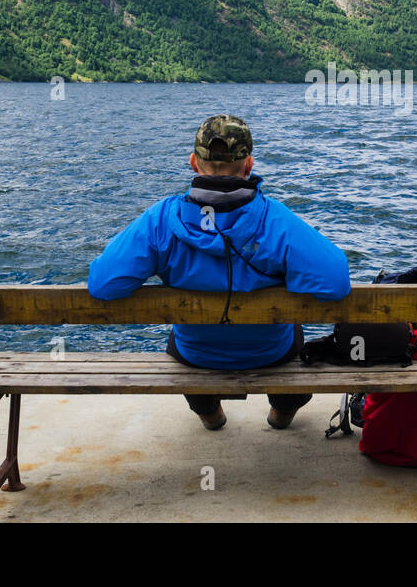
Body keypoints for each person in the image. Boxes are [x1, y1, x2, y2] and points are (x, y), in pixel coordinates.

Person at [87, 114, 351, 430]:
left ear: (193, 163)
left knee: (181, 338)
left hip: (196, 354)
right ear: (249, 165)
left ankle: (209, 414)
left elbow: (103, 285)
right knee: (295, 332)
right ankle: (282, 413)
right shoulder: (275, 220)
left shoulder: (161, 220)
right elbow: (336, 282)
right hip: (271, 352)